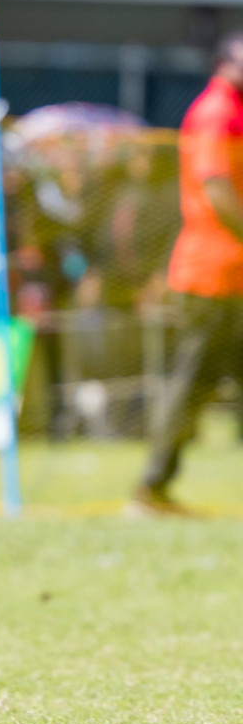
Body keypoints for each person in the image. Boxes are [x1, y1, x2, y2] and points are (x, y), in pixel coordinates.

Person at [133, 31, 243, 514]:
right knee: (191, 385)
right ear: (225, 60)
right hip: (214, 274)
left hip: (232, 272)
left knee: (196, 385)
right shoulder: (218, 112)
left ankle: (153, 486)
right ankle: (151, 487)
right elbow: (216, 188)